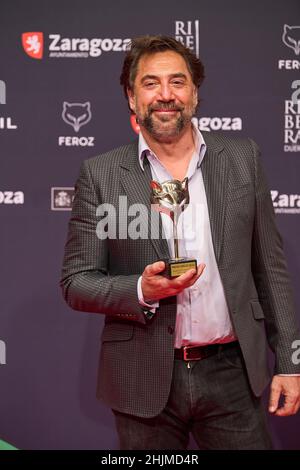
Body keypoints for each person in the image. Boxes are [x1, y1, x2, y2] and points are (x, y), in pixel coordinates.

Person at [60, 35, 300, 450]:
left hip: (233, 373)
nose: (165, 95)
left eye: (177, 82)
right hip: (142, 377)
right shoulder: (100, 174)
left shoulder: (242, 158)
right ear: (131, 98)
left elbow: (270, 268)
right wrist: (140, 289)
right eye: (151, 83)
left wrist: (292, 363)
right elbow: (76, 281)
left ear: (194, 93)